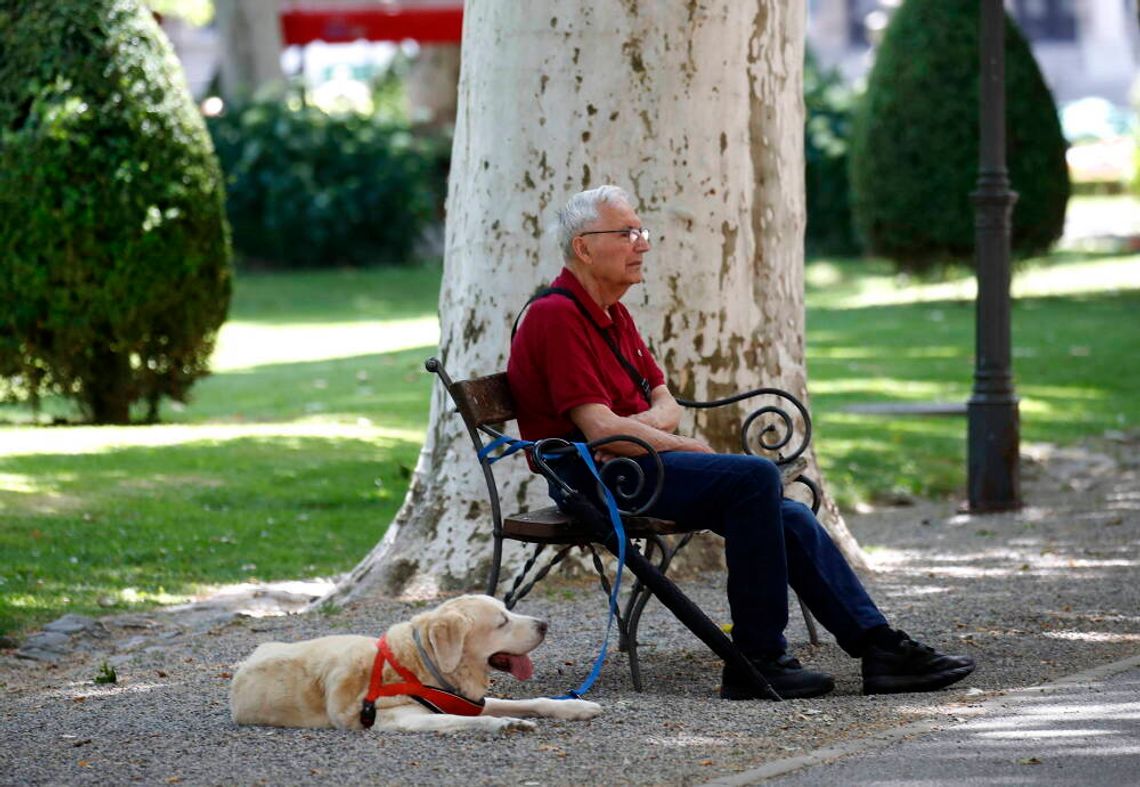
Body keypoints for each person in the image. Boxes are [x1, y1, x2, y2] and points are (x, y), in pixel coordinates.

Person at [506, 185, 976, 700]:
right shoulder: (557, 315)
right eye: (627, 233)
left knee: (788, 515)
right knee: (753, 477)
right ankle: (758, 659)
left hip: (635, 466)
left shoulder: (613, 314)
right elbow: (600, 430)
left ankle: (879, 648)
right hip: (599, 481)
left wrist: (642, 428)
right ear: (584, 247)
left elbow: (667, 403)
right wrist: (682, 445)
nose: (643, 244)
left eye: (642, 232)